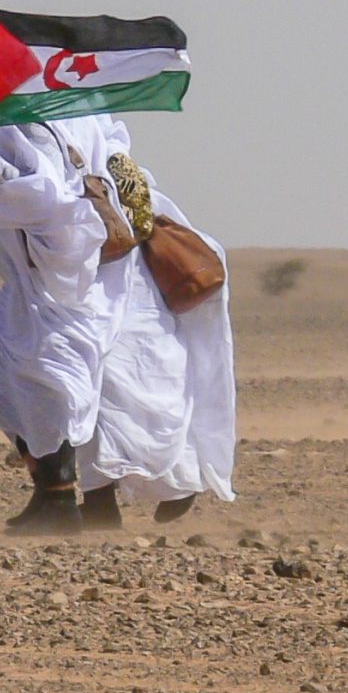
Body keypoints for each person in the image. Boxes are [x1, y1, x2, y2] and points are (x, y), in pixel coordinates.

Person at [60, 116, 236, 528]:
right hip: (92, 299)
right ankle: (101, 503)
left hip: (130, 303)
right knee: (93, 396)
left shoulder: (122, 180)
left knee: (130, 390)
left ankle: (177, 484)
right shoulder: (73, 187)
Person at [0, 122, 113, 533]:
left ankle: (62, 501)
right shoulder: (28, 130)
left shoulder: (38, 134)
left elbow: (45, 198)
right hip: (24, 290)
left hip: (54, 293)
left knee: (47, 390)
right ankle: (46, 491)